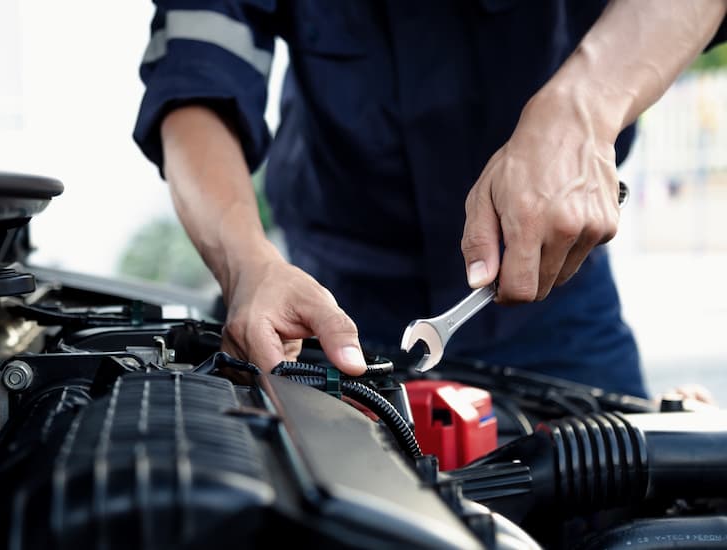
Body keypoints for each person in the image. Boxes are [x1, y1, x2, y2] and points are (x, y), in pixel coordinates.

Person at [133, 1, 727, 397]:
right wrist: (246, 268)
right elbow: (195, 77)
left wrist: (582, 108)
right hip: (327, 313)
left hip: (558, 297)